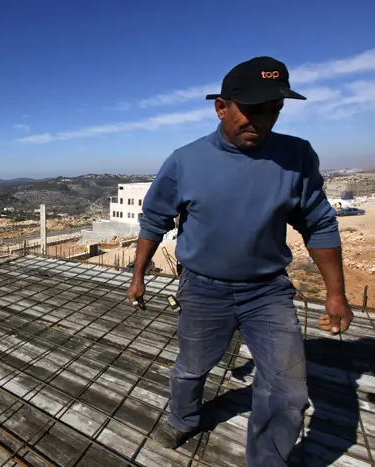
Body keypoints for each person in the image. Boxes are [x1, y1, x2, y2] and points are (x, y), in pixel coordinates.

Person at [126, 56, 353, 467]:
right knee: (192, 368)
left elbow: (318, 224)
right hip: (203, 288)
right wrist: (138, 276)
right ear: (221, 107)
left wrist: (336, 294)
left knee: (287, 391)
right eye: (252, 110)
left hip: (267, 291)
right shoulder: (185, 160)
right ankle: (184, 418)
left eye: (273, 111)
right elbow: (154, 220)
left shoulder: (296, 156)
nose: (262, 121)